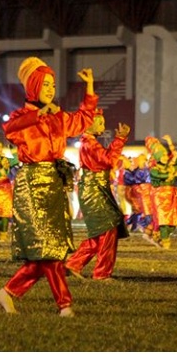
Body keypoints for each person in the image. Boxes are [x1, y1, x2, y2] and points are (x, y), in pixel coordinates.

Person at [0, 56, 97, 317]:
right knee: (49, 251)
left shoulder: (58, 116)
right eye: (46, 84)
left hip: (54, 185)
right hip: (31, 185)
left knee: (48, 252)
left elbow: (83, 120)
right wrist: (37, 115)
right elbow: (10, 130)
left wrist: (90, 89)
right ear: (33, 87)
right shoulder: (21, 116)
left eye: (53, 85)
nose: (51, 89)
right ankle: (65, 304)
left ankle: (8, 292)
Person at [65, 109, 129, 281]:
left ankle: (74, 264)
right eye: (99, 122)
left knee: (102, 232)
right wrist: (120, 140)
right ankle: (101, 273)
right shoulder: (89, 144)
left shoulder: (90, 142)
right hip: (94, 192)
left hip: (96, 190)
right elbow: (108, 160)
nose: (103, 125)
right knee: (108, 230)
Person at [146, 134, 177, 249]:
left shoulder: (169, 166)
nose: (164, 157)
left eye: (165, 155)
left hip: (171, 195)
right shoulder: (154, 169)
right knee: (163, 220)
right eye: (161, 155)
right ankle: (164, 240)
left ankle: (159, 236)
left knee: (172, 222)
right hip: (160, 196)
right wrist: (172, 174)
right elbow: (160, 175)